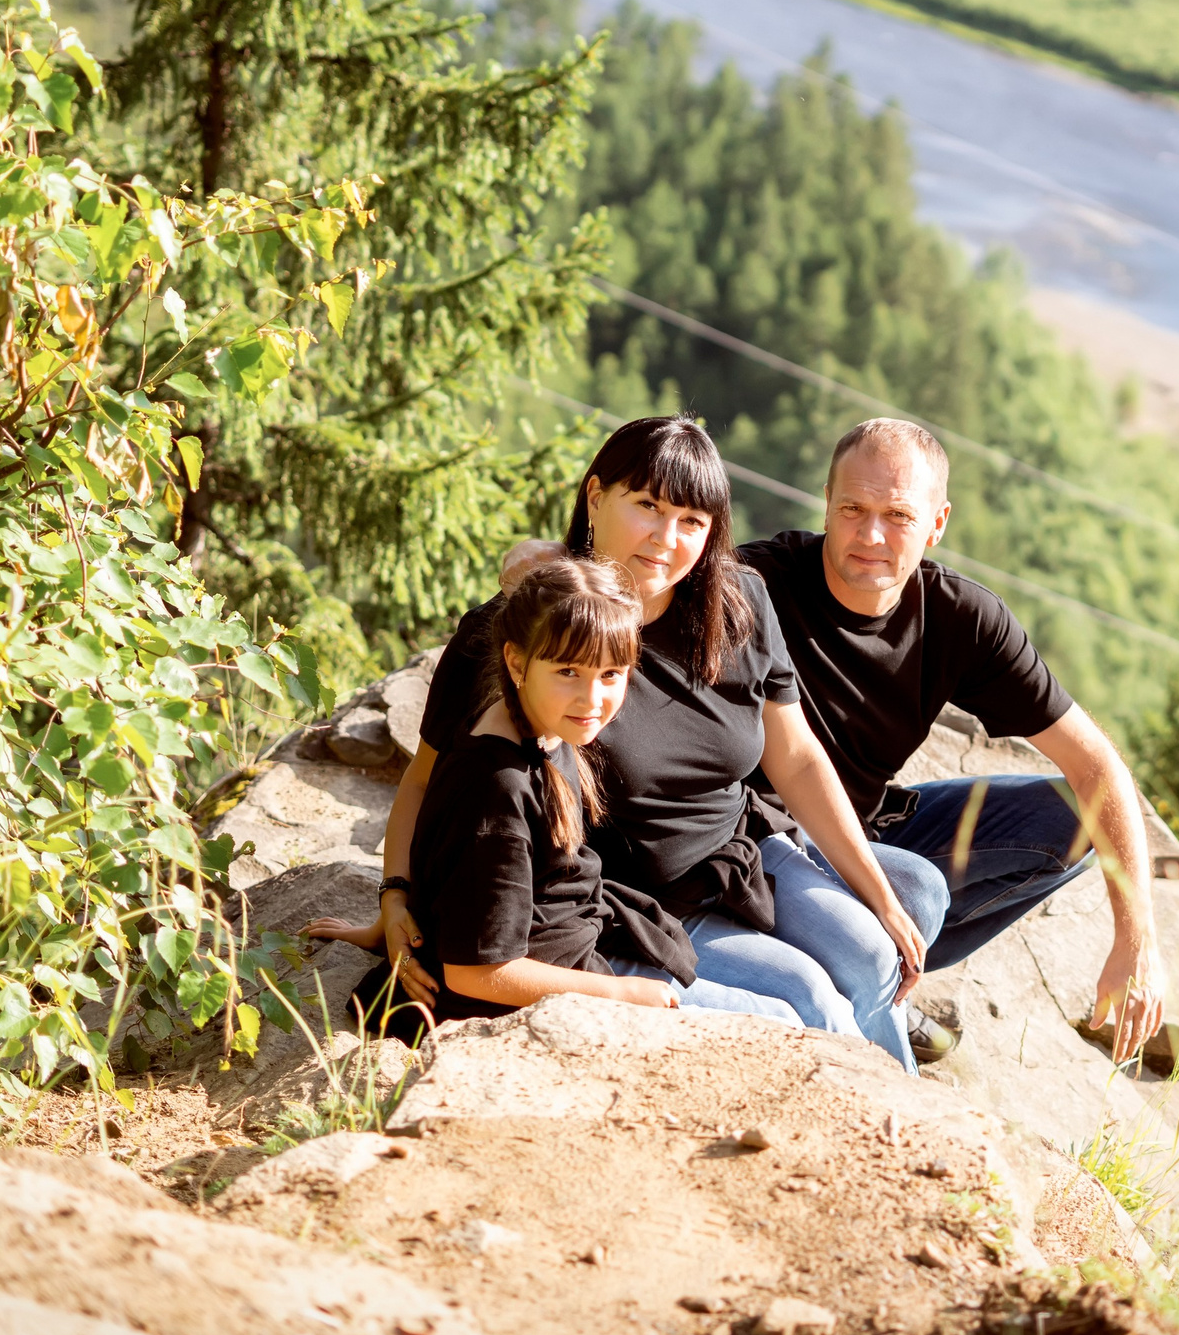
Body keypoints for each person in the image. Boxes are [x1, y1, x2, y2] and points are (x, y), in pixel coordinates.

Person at [339, 416, 948, 1071]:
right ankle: (865, 1134)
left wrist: (876, 894)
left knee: (878, 945)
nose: (666, 540)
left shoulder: (738, 602)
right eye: (648, 508)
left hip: (735, 859)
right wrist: (395, 895)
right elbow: (431, 781)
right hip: (633, 901)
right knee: (807, 996)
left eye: (691, 520)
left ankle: (907, 1112)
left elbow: (795, 756)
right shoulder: (524, 637)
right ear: (595, 498)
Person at [736, 418, 1167, 1064]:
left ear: (937, 524)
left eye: (898, 516)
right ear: (826, 500)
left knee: (1075, 817)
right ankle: (868, 989)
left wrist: (1138, 938)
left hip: (864, 830)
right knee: (917, 890)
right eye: (852, 508)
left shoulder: (962, 620)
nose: (870, 535)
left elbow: (1098, 767)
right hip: (757, 841)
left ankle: (881, 974)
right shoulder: (753, 583)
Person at [306, 551, 797, 1027]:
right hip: (547, 984)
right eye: (568, 672)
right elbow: (475, 971)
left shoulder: (542, 726)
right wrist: (623, 994)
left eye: (611, 675)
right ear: (516, 664)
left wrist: (395, 919)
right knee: (782, 1020)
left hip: (584, 941)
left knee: (798, 999)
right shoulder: (497, 789)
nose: (593, 698)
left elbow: (457, 877)